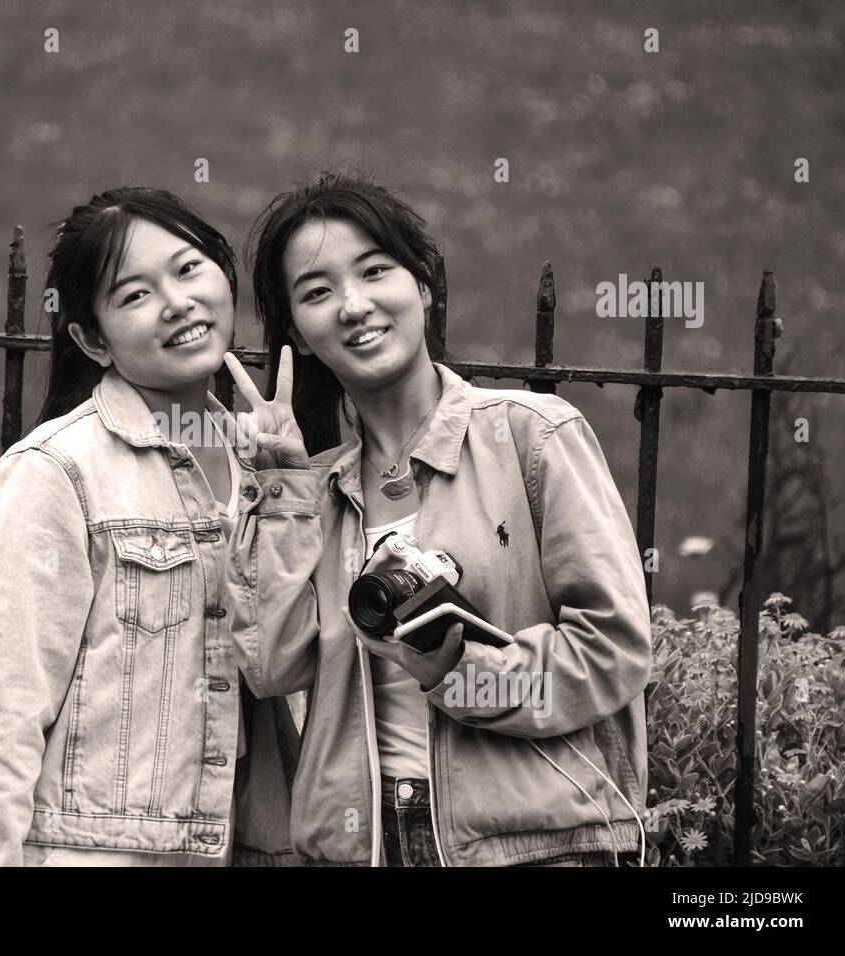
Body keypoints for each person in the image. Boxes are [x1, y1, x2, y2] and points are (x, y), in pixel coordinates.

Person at [223, 171, 652, 866]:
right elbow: (273, 665)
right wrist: (278, 490)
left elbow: (614, 651)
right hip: (363, 846)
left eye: (374, 271)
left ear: (422, 284)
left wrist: (456, 667)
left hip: (534, 846)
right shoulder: (321, 491)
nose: (353, 305)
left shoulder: (532, 437)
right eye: (317, 291)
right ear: (297, 332)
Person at [0, 187, 298, 866]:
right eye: (134, 295)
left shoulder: (267, 463)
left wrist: (290, 493)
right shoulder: (58, 472)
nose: (177, 303)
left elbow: (295, 672)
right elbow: (6, 713)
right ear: (91, 340)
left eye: (188, 269)